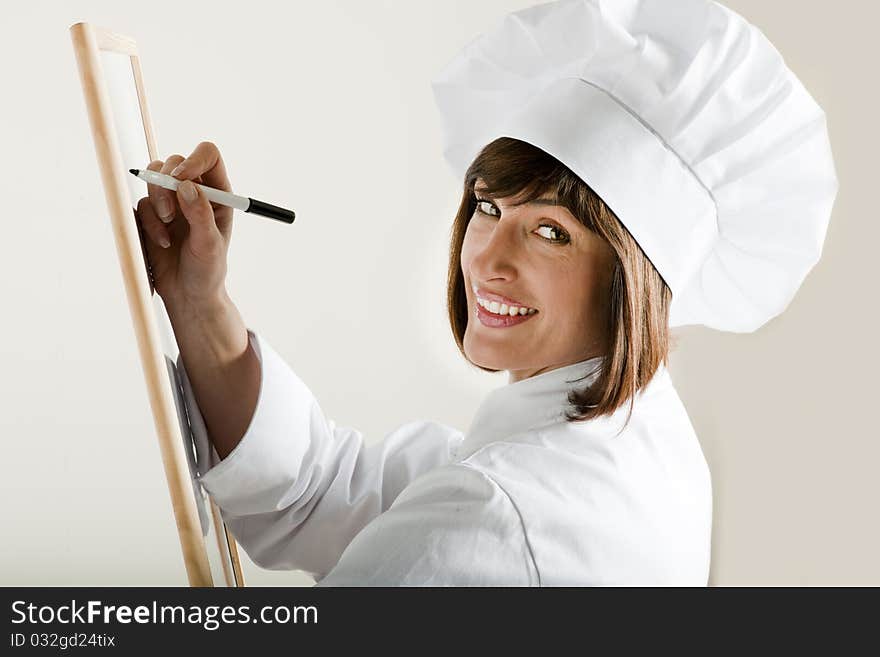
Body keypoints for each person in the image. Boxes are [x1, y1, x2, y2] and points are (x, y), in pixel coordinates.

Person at [135, 0, 838, 586]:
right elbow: (327, 491)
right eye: (489, 206)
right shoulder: (637, 436)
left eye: (552, 233)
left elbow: (449, 521)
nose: (488, 258)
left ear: (633, 276)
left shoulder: (493, 517)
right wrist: (199, 301)